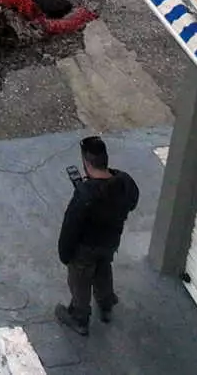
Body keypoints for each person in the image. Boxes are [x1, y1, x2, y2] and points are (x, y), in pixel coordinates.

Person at [55, 135, 141, 336]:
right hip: (110, 243)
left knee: (80, 282)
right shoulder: (125, 182)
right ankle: (106, 304)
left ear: (86, 163)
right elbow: (132, 201)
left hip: (85, 249)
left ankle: (79, 317)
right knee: (103, 270)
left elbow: (71, 226)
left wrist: (65, 253)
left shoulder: (85, 194)